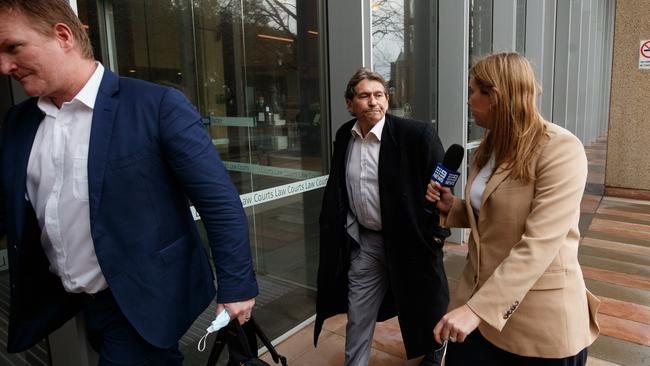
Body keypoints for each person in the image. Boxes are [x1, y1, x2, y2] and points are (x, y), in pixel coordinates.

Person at [0, 0, 257, 364]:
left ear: (62, 36)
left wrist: (237, 286)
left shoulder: (156, 106)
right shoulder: (18, 122)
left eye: (13, 47)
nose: (4, 66)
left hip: (142, 298)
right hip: (63, 301)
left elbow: (217, 201)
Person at [426, 52, 600, 365]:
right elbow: (495, 215)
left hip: (537, 324)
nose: (468, 101)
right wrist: (453, 207)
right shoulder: (488, 148)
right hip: (477, 307)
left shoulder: (560, 148)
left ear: (495, 95)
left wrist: (477, 310)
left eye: (472, 92)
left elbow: (540, 243)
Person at [314, 68, 450, 366]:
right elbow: (339, 186)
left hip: (410, 242)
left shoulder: (415, 134)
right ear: (350, 104)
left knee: (425, 304)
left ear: (387, 101)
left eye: (379, 95)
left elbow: (443, 186)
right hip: (367, 242)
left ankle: (434, 351)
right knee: (358, 312)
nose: (373, 102)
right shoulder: (344, 136)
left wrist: (437, 235)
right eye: (364, 96)